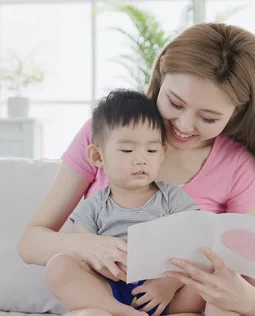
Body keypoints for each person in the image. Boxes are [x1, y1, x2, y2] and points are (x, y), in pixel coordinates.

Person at [18, 22, 255, 316]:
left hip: (181, 301)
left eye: (207, 117)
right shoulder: (108, 133)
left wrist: (242, 298)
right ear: (160, 77)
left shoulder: (237, 165)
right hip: (109, 295)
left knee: (223, 299)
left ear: (236, 113)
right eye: (175, 103)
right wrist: (85, 245)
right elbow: (31, 243)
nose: (183, 125)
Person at [54, 88, 204, 316]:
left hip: (167, 292)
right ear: (98, 156)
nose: (141, 159)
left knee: (215, 269)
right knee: (59, 266)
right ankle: (120, 312)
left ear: (162, 154)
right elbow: (86, 252)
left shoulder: (172, 198)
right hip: (111, 289)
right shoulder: (93, 208)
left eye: (151, 150)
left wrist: (168, 285)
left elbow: (195, 245)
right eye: (127, 149)